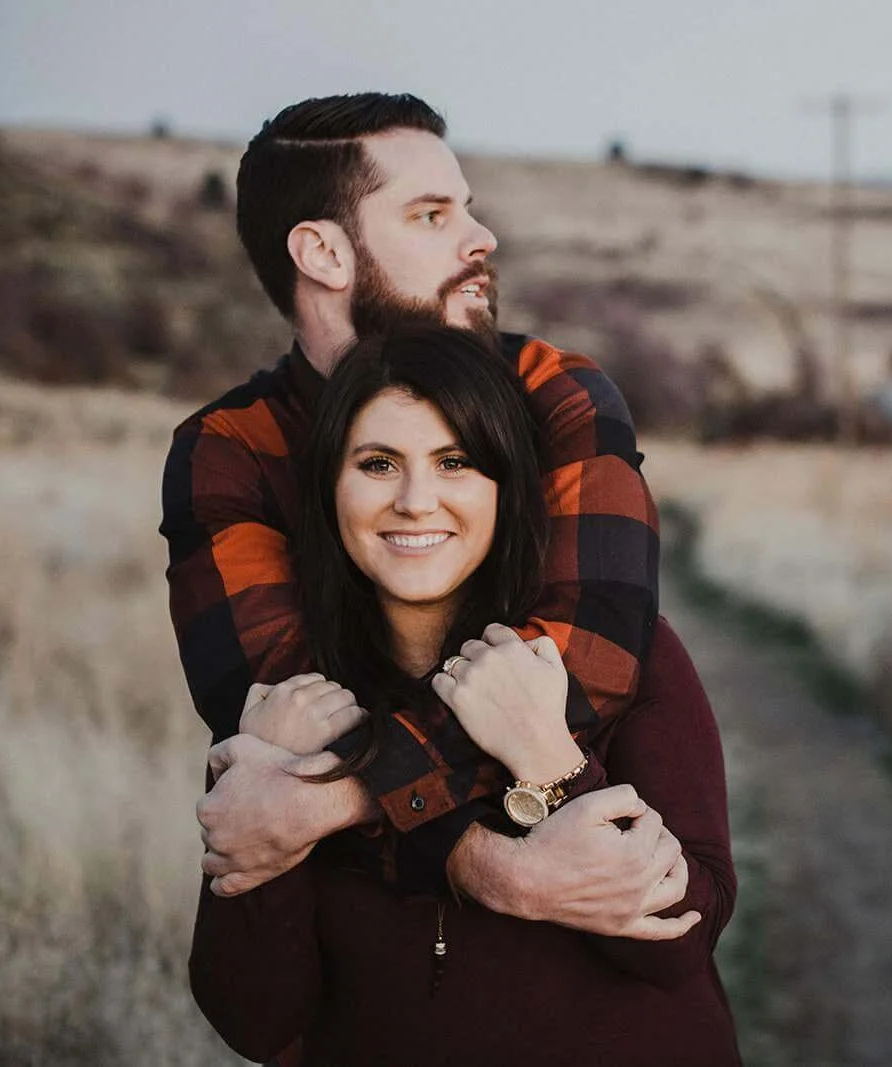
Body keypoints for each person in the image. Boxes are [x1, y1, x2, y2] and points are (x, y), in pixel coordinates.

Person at [161, 92, 688, 934]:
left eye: (466, 209)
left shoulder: (555, 392)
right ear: (324, 252)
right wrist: (496, 871)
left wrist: (327, 804)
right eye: (432, 215)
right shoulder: (231, 449)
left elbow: (584, 659)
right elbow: (282, 715)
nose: (481, 239)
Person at [189, 326, 739, 1065]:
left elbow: (681, 940)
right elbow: (253, 1021)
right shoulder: (293, 703)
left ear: (505, 485)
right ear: (330, 486)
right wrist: (279, 798)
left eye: (455, 462)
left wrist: (549, 758)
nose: (416, 501)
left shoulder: (613, 659)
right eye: (378, 464)